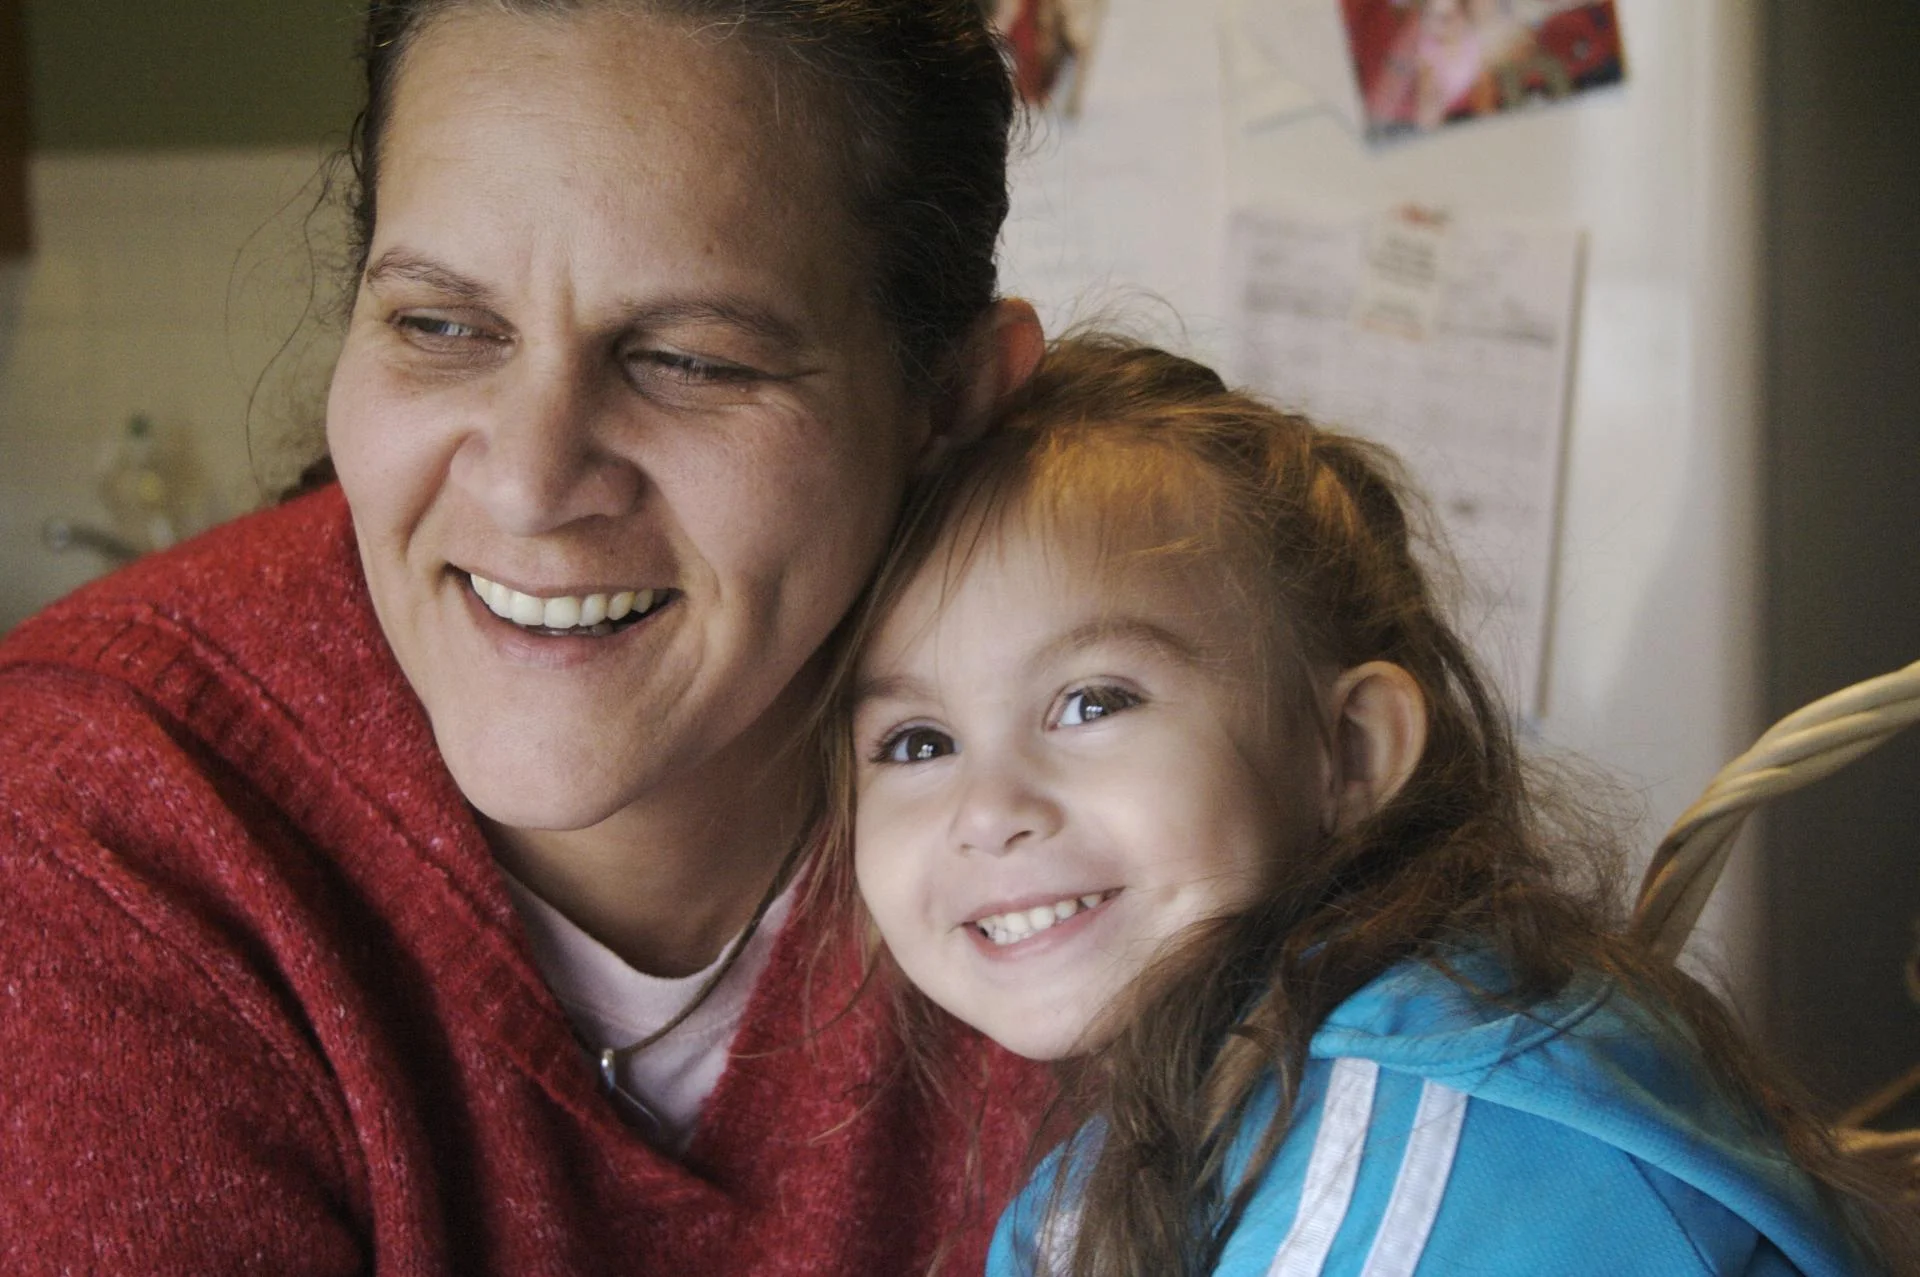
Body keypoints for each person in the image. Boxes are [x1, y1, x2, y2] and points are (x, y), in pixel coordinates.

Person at [0, 2, 1049, 1273]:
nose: (530, 481)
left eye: (690, 358)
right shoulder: (89, 821)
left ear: (947, 403)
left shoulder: (1130, 789)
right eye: (441, 327)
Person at [825, 335, 1918, 1275]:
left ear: (1346, 750)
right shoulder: (1187, 1106)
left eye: (1090, 700)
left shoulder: (1420, 1145)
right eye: (917, 741)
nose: (991, 806)